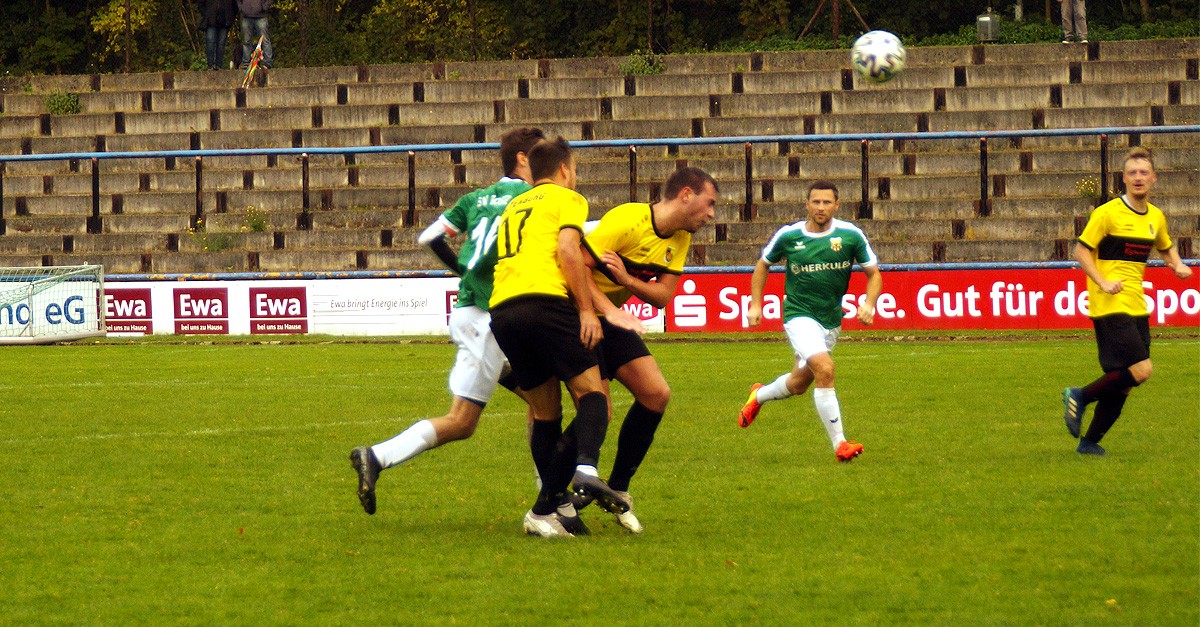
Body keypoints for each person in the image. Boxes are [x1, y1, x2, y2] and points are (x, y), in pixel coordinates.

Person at [348, 127, 544, 515]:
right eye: (539, 155)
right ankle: (376, 455)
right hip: (490, 320)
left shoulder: (475, 198)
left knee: (541, 395)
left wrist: (463, 271)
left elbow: (429, 237)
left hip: (479, 315)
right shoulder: (532, 198)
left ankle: (549, 490)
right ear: (523, 159)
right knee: (464, 421)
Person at [488, 137, 641, 538]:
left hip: (503, 308)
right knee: (594, 397)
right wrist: (590, 311)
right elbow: (568, 252)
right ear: (564, 170)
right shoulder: (567, 199)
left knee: (545, 413)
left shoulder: (515, 204)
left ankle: (549, 510)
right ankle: (585, 472)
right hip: (545, 303)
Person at [564, 167, 717, 534]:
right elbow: (577, 268)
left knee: (656, 394)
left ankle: (617, 489)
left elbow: (663, 296)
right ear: (685, 195)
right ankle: (554, 487)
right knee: (599, 405)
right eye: (709, 203)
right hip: (576, 312)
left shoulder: (679, 238)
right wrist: (607, 309)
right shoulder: (628, 219)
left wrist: (626, 280)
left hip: (611, 318)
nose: (712, 214)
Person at [738, 180, 882, 463]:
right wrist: (755, 304)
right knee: (825, 369)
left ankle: (759, 395)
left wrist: (869, 303)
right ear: (807, 204)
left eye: (827, 202)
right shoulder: (789, 236)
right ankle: (840, 443)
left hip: (830, 319)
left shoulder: (850, 235)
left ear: (837, 206)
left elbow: (874, 274)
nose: (821, 207)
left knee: (799, 383)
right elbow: (763, 265)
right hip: (798, 315)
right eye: (815, 202)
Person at [1062, 147, 1192, 456]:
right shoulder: (1106, 213)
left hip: (1136, 304)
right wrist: (1103, 281)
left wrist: (1177, 264)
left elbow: (1165, 245)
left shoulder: (1156, 217)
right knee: (1142, 368)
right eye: (1132, 173)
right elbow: (1081, 251)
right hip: (1109, 302)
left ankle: (1089, 443)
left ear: (1153, 178)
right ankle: (1079, 395)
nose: (1138, 178)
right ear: (1123, 178)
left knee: (1125, 381)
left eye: (1143, 172)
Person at [199, 0, 238, 70]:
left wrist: (231, 17)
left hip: (225, 20)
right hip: (211, 20)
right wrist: (206, 15)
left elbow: (235, 6)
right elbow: (201, 4)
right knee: (210, 43)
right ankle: (210, 65)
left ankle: (218, 65)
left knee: (221, 44)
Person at [236, 0, 274, 69]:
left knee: (265, 40)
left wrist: (264, 6)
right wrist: (241, 7)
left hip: (261, 16)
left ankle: (268, 62)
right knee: (246, 41)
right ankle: (246, 63)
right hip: (246, 16)